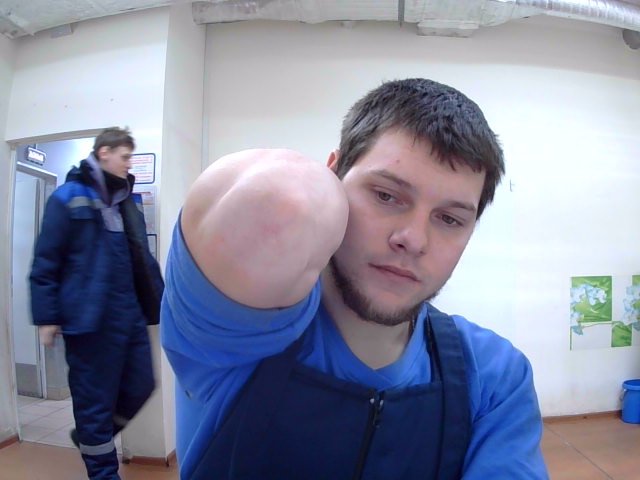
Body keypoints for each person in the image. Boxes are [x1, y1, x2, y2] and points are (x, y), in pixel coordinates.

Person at [161, 78, 549, 479]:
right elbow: (275, 198)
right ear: (333, 175)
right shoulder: (238, 334)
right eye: (386, 195)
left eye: (450, 219)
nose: (414, 240)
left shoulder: (493, 375)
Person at [29, 127, 164, 480]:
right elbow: (45, 261)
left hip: (129, 316)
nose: (128, 164)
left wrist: (159, 300)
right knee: (94, 404)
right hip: (89, 322)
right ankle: (103, 470)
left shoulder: (125, 200)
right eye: (124, 156)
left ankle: (92, 436)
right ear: (104, 152)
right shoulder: (67, 197)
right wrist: (46, 317)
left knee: (142, 386)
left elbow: (140, 256)